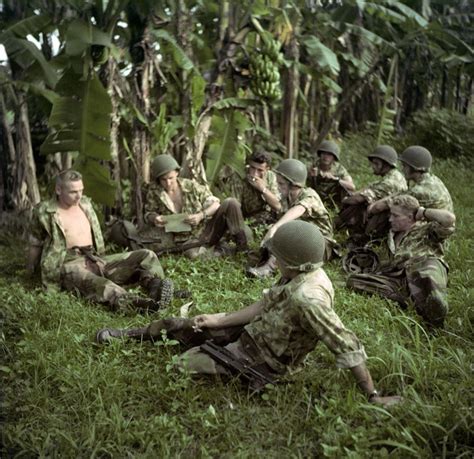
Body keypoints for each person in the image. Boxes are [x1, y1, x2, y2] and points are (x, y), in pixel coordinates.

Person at [96, 221, 401, 408]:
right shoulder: (296, 275)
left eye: (277, 257)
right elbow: (264, 305)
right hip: (252, 333)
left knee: (180, 366)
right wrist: (220, 319)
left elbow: (345, 344)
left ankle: (208, 355)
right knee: (179, 324)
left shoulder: (309, 299)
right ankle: (128, 336)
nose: (273, 260)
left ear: (294, 263)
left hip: (263, 361)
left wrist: (372, 395)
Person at [27, 170, 174, 312]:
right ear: (58, 190)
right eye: (73, 192)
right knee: (104, 285)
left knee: (146, 255)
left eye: (81, 190)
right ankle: (138, 304)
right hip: (69, 263)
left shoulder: (85, 204)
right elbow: (35, 242)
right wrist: (31, 270)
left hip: (95, 258)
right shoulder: (44, 211)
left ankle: (156, 288)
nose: (78, 195)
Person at [347, 195, 455, 328]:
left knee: (429, 268)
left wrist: (422, 211)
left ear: (410, 217)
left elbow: (449, 219)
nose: (390, 219)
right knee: (355, 280)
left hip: (423, 270)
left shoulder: (427, 230)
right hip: (400, 278)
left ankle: (435, 312)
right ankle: (409, 300)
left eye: (395, 216)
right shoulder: (393, 235)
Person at [141, 155, 249, 258]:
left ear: (177, 173)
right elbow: (149, 213)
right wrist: (155, 218)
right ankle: (222, 250)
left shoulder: (190, 186)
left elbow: (215, 204)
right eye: (163, 180)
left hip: (206, 230)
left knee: (231, 202)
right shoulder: (154, 192)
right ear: (158, 179)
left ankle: (242, 247)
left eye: (171, 178)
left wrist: (200, 216)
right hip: (186, 239)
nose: (168, 183)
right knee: (194, 255)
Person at [247, 159, 337, 278]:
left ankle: (269, 268)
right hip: (303, 241)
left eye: (281, 184)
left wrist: (276, 227)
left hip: (320, 245)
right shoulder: (287, 198)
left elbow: (299, 209)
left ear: (294, 186)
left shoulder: (310, 195)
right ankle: (268, 259)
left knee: (287, 231)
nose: (278, 187)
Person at [334, 145, 407, 244]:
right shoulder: (395, 175)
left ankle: (339, 227)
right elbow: (369, 188)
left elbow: (359, 198)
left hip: (389, 220)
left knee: (358, 204)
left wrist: (345, 200)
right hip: (391, 216)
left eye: (376, 163)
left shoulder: (390, 182)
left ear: (386, 165)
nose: (373, 166)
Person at [368, 146, 453, 221]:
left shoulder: (420, 191)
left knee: (391, 213)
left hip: (431, 231)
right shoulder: (432, 179)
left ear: (414, 168)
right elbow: (398, 195)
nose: (402, 169)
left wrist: (371, 208)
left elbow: (382, 206)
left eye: (405, 166)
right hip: (434, 224)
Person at [219, 150, 281, 225]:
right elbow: (234, 207)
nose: (255, 174)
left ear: (267, 169)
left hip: (265, 217)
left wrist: (263, 189)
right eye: (252, 168)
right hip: (244, 219)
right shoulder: (239, 177)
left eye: (260, 170)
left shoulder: (270, 176)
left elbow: (277, 206)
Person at [308, 140, 355, 209]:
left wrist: (335, 179)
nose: (326, 157)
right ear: (320, 154)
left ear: (334, 157)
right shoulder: (313, 166)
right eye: (324, 153)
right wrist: (311, 177)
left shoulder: (339, 169)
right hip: (316, 199)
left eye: (329, 155)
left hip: (334, 200)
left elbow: (352, 187)